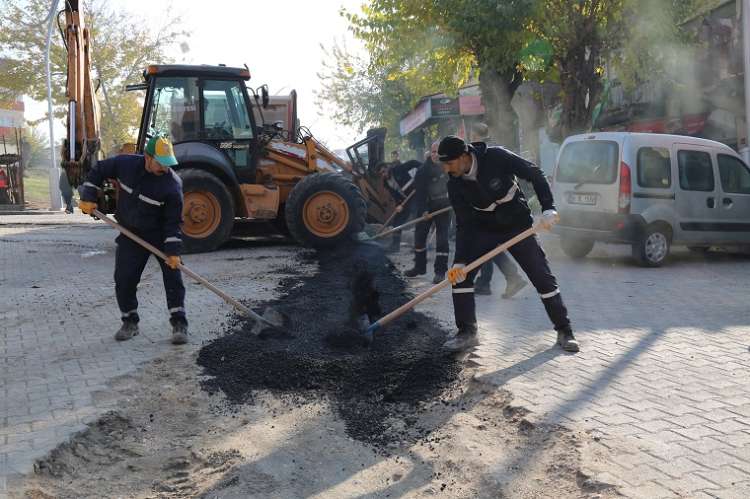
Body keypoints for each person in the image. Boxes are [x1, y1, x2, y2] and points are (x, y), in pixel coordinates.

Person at [437, 135, 579, 353]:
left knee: (542, 277)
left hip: (517, 226)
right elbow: (464, 224)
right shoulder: (454, 185)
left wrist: (548, 208)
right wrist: (460, 262)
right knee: (460, 277)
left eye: (449, 163)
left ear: (465, 156)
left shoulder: (497, 157)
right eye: (443, 164)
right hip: (484, 229)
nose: (447, 169)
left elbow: (535, 174)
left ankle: (564, 331)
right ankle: (467, 332)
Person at [78, 135, 188, 345]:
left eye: (168, 164)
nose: (165, 168)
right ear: (147, 157)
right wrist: (89, 196)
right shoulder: (126, 164)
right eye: (160, 163)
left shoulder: (172, 186)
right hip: (130, 232)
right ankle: (130, 321)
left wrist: (172, 252)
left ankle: (179, 323)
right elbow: (99, 169)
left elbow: (173, 223)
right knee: (124, 278)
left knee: (173, 276)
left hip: (158, 236)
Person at [469, 122, 526, 298]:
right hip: (505, 206)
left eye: (471, 135)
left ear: (475, 135)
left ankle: (505, 279)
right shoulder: (498, 149)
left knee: (487, 244)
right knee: (488, 246)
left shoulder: (481, 153)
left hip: (496, 208)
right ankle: (493, 281)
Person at [404, 140, 451, 283]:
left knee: (442, 239)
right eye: (434, 152)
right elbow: (420, 193)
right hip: (427, 205)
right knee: (419, 236)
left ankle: (440, 271)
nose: (436, 155)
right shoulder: (423, 170)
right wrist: (424, 210)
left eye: (439, 152)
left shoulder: (448, 167)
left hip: (444, 206)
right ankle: (419, 267)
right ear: (430, 153)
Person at [382, 157, 418, 252]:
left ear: (387, 168)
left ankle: (419, 245)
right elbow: (395, 195)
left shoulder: (398, 169)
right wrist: (398, 205)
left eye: (383, 171)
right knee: (397, 221)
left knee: (418, 218)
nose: (383, 175)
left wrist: (422, 171)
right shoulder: (386, 182)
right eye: (381, 174)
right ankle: (395, 246)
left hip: (415, 195)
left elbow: (413, 162)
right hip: (404, 201)